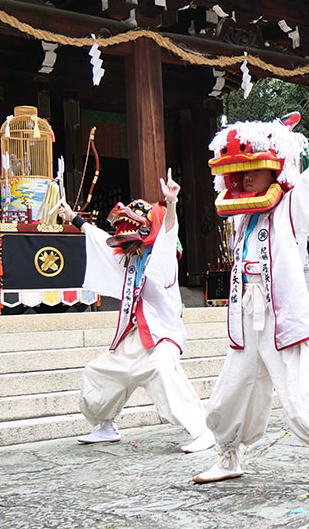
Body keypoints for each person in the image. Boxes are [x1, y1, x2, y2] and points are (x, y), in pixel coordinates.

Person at [192, 109, 309, 502]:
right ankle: (228, 457)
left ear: (272, 169)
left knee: (301, 393)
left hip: (282, 320)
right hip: (247, 322)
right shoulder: (241, 220)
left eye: (252, 171)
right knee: (231, 392)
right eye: (239, 173)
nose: (244, 179)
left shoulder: (291, 208)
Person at [59, 171, 215, 454]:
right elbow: (98, 238)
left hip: (160, 335)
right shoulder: (130, 258)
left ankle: (201, 430)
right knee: (100, 372)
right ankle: (106, 426)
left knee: (163, 373)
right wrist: (75, 219)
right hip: (134, 335)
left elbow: (169, 232)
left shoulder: (162, 256)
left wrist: (171, 203)